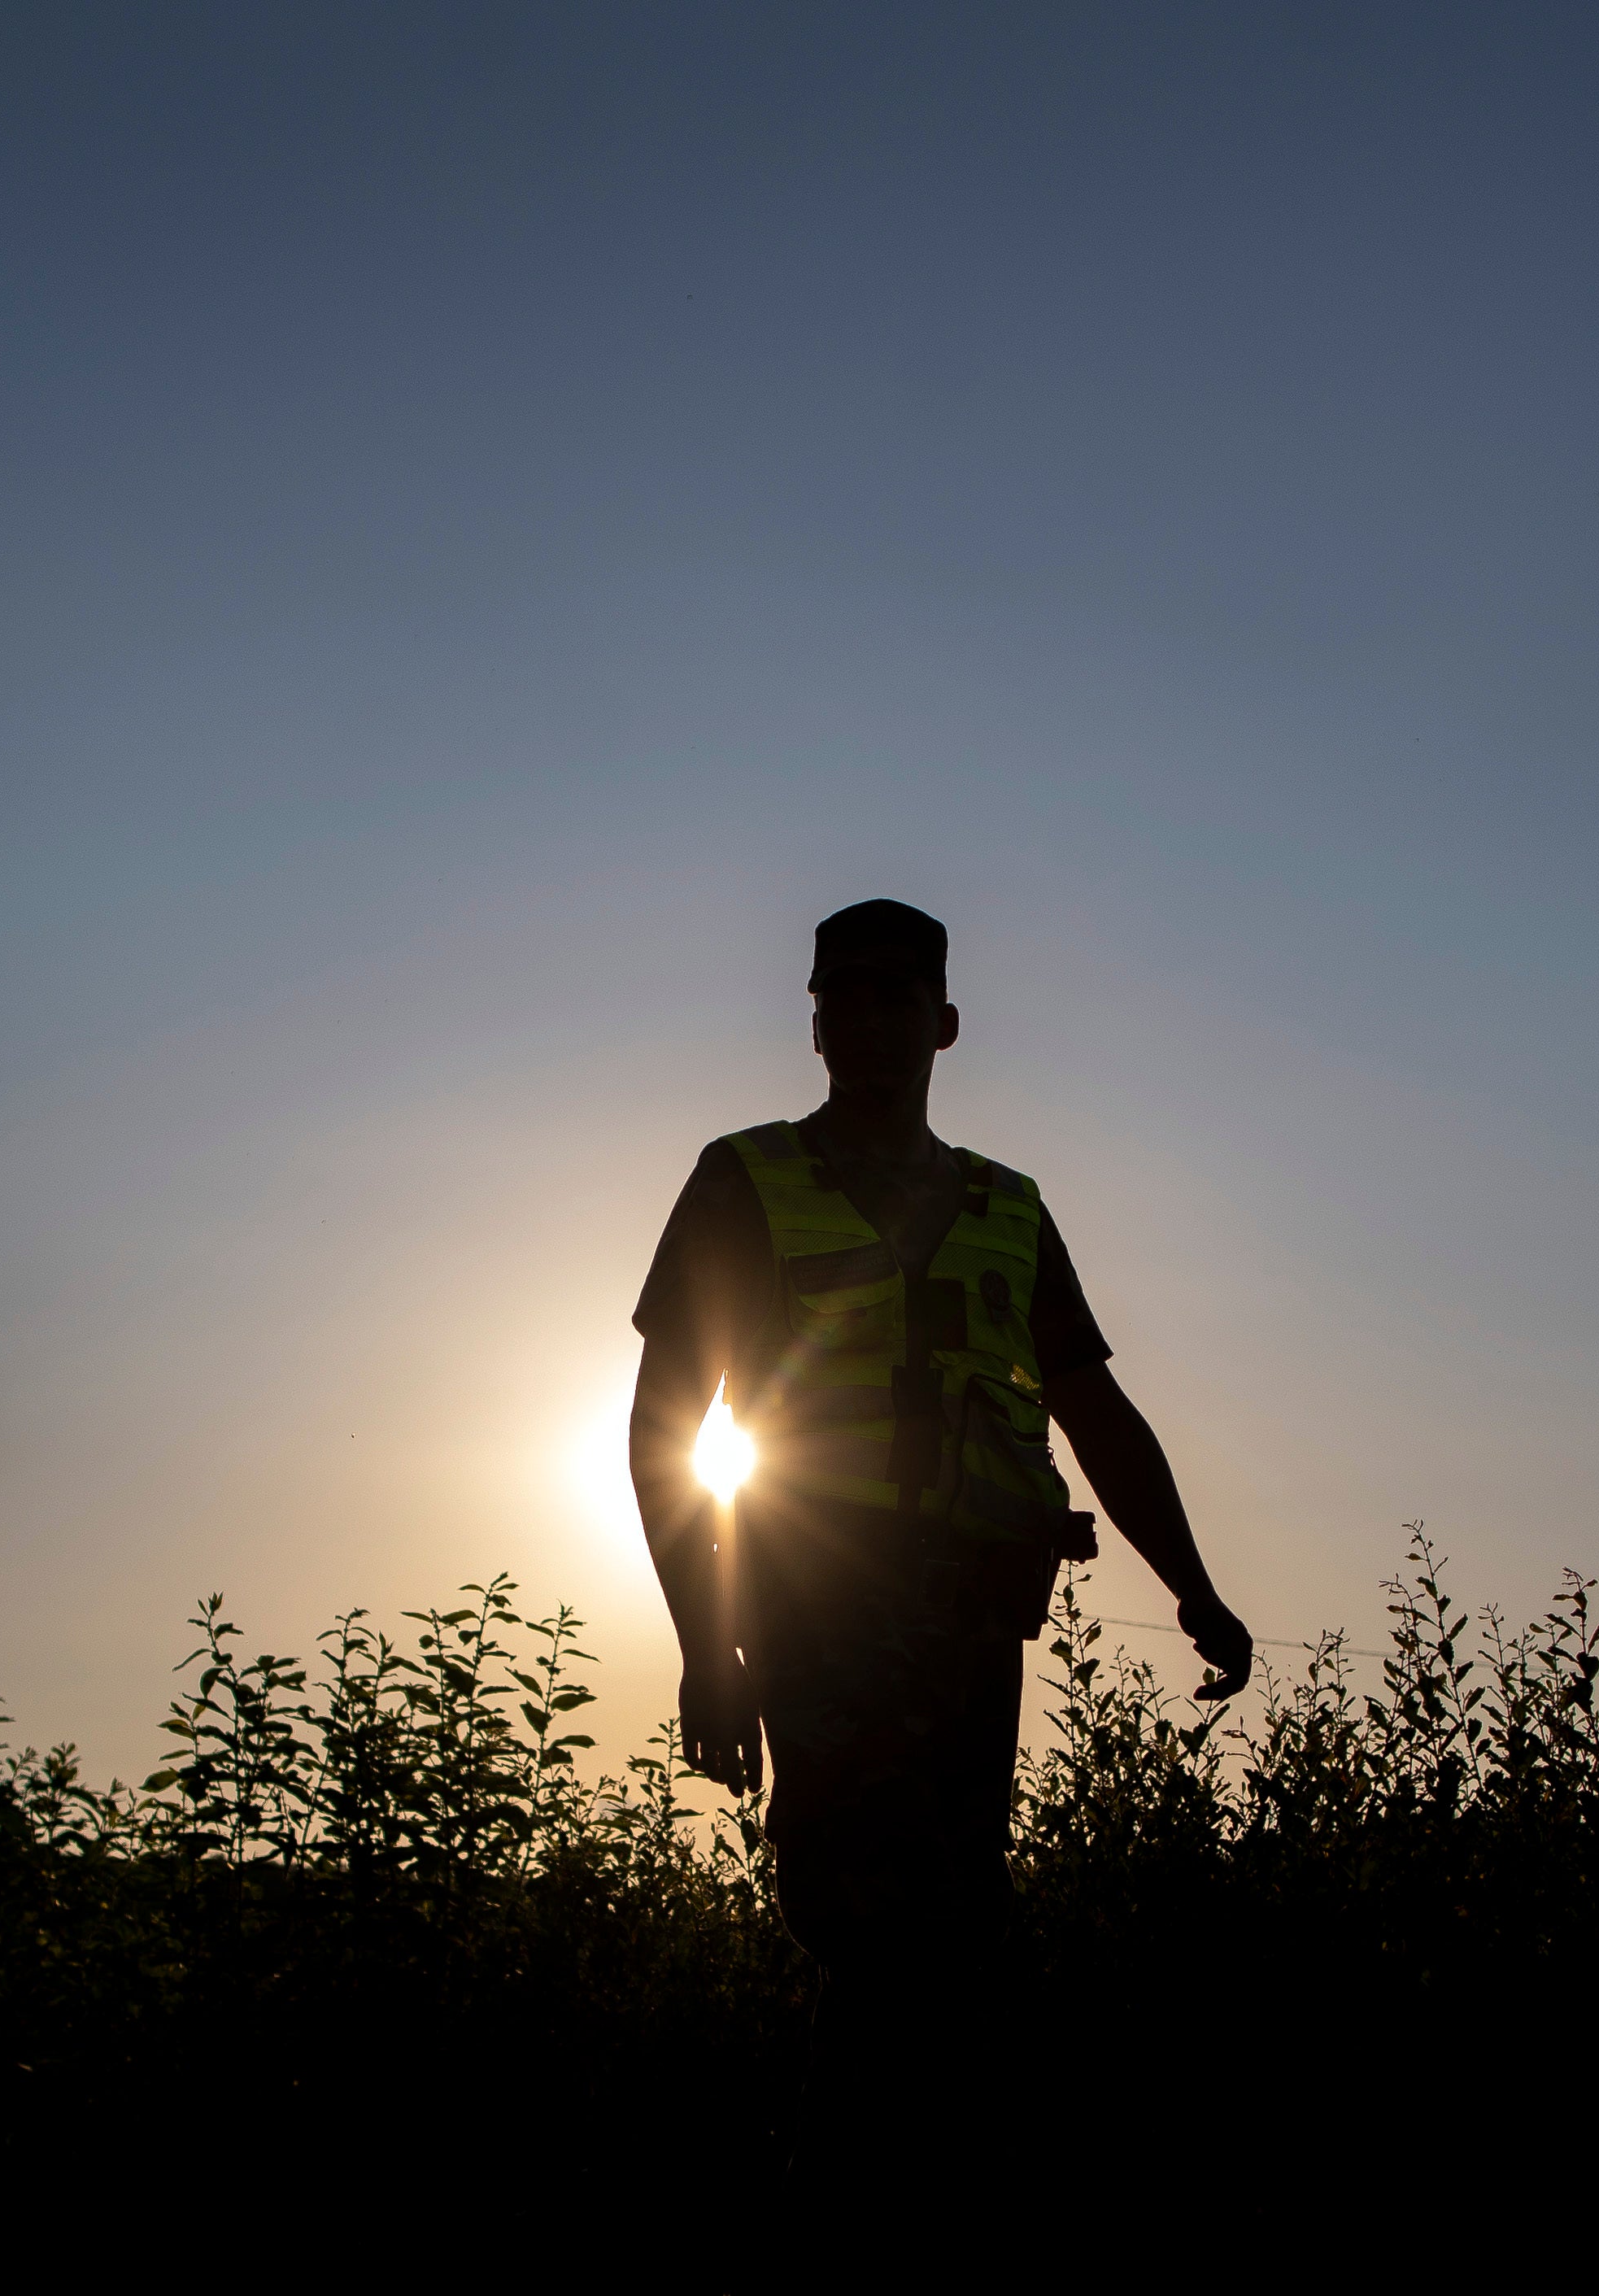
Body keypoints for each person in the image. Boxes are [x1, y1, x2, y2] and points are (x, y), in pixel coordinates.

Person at [626, 898, 1253, 2208]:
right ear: (811, 1023)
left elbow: (1099, 1416)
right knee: (867, 1924)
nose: (862, 1016)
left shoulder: (1007, 1208)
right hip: (815, 1605)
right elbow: (667, 1424)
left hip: (972, 1623)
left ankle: (892, 2219)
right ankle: (867, 2223)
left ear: (945, 1022)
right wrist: (708, 1648)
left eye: (892, 995)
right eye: (838, 995)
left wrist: (1192, 1586)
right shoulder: (747, 1178)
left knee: (950, 1932)